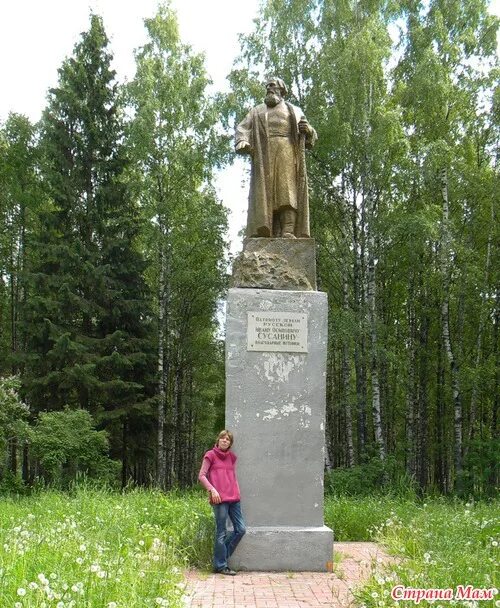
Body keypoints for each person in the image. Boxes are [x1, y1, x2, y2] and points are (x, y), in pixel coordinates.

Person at [235, 77, 317, 239]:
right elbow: (243, 127)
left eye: (272, 86)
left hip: (287, 151)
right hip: (264, 154)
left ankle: (288, 229)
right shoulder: (257, 111)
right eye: (267, 86)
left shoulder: (294, 110)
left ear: (281, 89)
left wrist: (308, 131)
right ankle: (268, 230)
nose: (268, 88)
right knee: (266, 193)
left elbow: (310, 133)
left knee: (287, 190)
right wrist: (242, 140)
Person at [198, 430, 246, 575]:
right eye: (223, 438)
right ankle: (221, 565)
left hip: (234, 498)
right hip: (219, 500)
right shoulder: (210, 455)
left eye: (228, 440)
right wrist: (212, 490)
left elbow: (231, 477)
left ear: (230, 443)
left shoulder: (231, 457)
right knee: (221, 533)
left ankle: (220, 560)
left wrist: (237, 491)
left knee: (241, 529)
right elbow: (201, 476)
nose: (225, 441)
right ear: (218, 440)